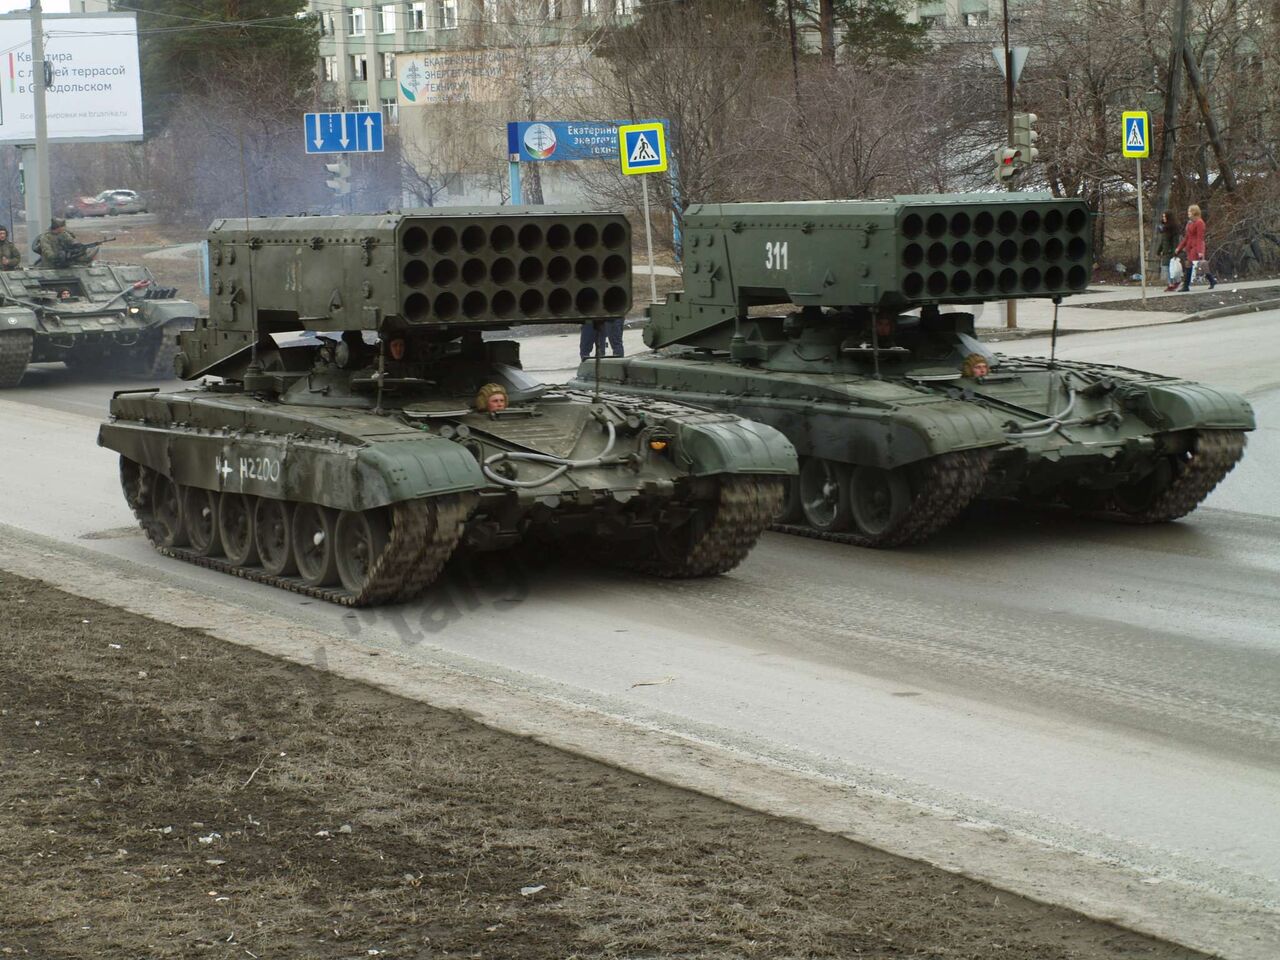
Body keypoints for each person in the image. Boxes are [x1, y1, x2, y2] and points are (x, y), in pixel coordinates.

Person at [1175, 204, 1216, 291]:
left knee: (1191, 264)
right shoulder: (1190, 223)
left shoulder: (1200, 223)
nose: (1188, 213)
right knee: (1197, 264)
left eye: (1190, 211)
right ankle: (1212, 280)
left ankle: (1186, 286)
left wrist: (1200, 250)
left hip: (1197, 247)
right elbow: (1186, 237)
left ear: (1195, 212)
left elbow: (1200, 238)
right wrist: (1179, 247)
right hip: (1190, 247)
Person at [1157, 210, 1181, 291]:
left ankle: (1174, 283)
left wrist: (1175, 251)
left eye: (1165, 217)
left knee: (1170, 268)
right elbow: (1163, 241)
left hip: (1171, 251)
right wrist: (1159, 250)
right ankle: (1171, 283)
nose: (1163, 218)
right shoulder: (1165, 228)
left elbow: (1175, 241)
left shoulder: (1173, 228)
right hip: (1165, 251)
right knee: (1166, 268)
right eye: (1163, 217)